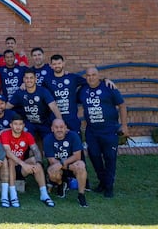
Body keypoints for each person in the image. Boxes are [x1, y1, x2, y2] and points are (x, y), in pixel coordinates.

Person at [80, 66, 128, 198]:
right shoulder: (83, 90)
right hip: (92, 132)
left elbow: (122, 105)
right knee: (94, 157)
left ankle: (109, 187)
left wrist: (124, 125)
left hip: (109, 131)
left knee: (110, 158)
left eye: (93, 75)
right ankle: (102, 182)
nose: (91, 78)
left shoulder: (108, 87)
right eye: (88, 75)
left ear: (98, 76)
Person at [1, 114, 53, 208]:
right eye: (15, 124)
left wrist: (38, 163)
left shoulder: (27, 135)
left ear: (24, 125)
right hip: (7, 169)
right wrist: (23, 163)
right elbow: (8, 152)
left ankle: (44, 194)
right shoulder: (5, 134)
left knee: (35, 161)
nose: (18, 126)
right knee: (11, 161)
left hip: (20, 168)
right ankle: (13, 194)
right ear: (11, 125)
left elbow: (36, 150)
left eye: (20, 124)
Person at [8, 70, 62, 143]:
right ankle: (27, 154)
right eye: (27, 78)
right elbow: (9, 105)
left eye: (31, 78)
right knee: (24, 140)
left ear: (35, 79)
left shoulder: (43, 91)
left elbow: (53, 106)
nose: (29, 80)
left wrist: (61, 122)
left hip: (44, 122)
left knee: (49, 141)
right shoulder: (20, 92)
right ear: (24, 79)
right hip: (29, 123)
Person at [43, 119, 88, 207]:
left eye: (61, 127)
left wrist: (62, 164)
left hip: (72, 165)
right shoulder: (47, 139)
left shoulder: (73, 136)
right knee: (52, 171)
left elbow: (77, 156)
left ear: (66, 128)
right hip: (59, 166)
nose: (59, 129)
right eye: (56, 127)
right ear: (52, 129)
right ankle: (61, 184)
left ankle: (81, 195)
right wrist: (65, 166)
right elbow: (52, 160)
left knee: (81, 166)